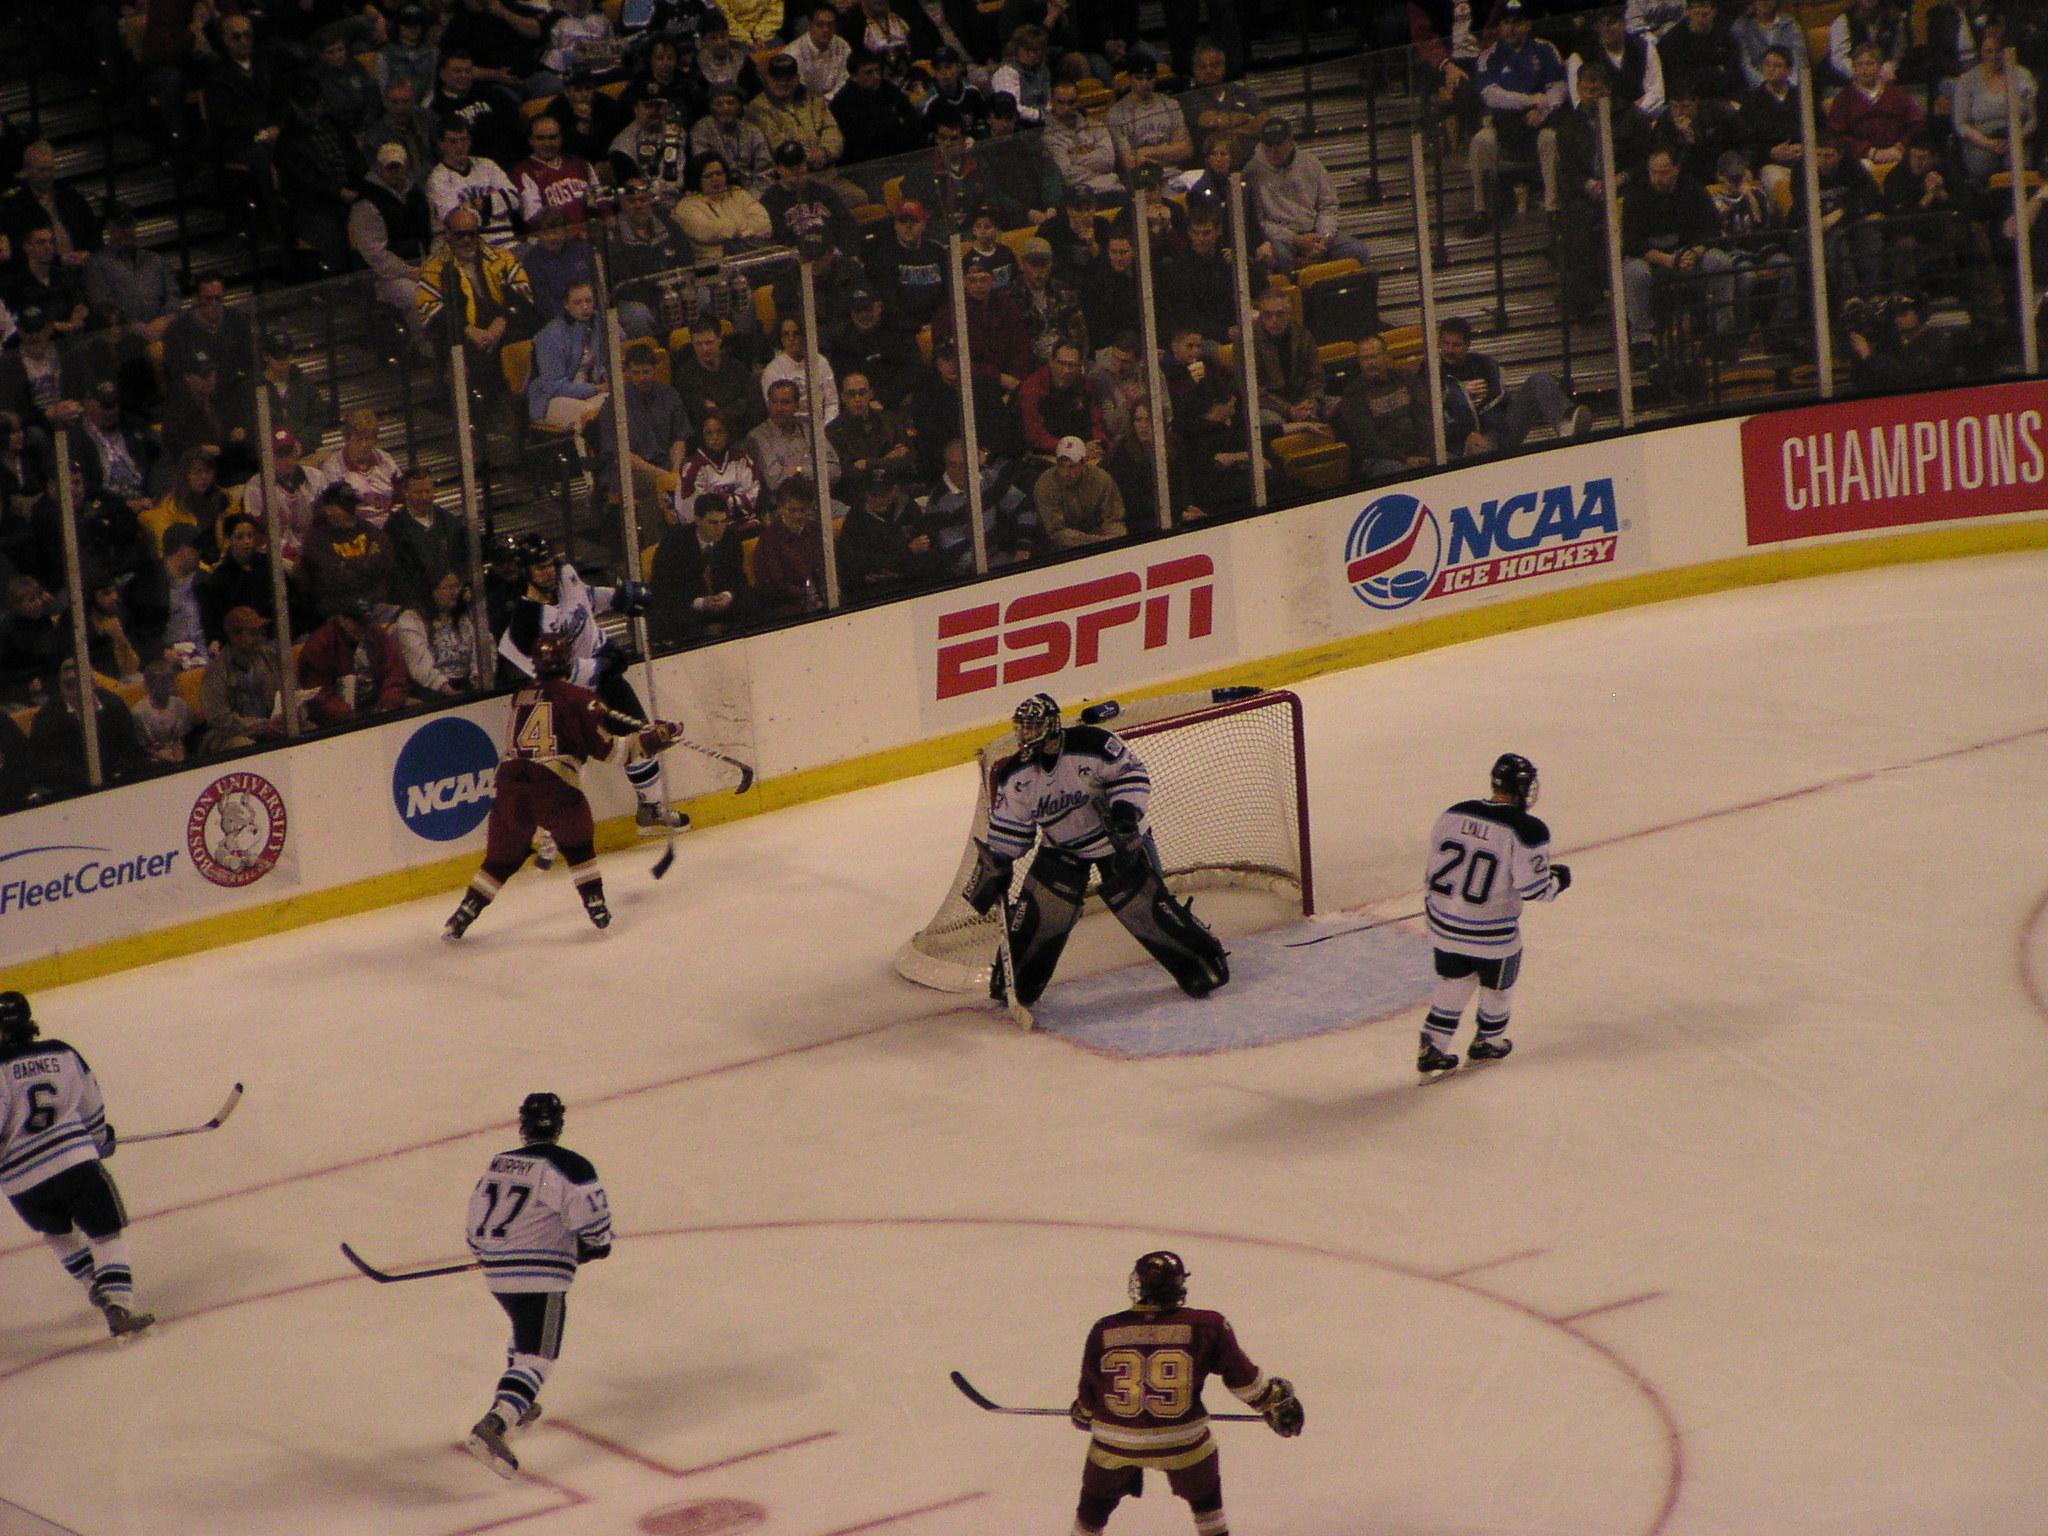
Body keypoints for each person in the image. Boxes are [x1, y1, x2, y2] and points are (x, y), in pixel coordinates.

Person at [964, 693, 1229, 1006]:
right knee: (1040, 917)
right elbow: (1012, 830)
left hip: (1116, 843)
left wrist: (1126, 815)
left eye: (1033, 727)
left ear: (1051, 725)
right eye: (1022, 728)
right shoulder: (1016, 776)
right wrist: (998, 860)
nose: (1025, 735)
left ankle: (1202, 959)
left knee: (1148, 911)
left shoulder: (1091, 744)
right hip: (1062, 848)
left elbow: (1131, 773)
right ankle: (1014, 979)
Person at [445, 637, 682, 942]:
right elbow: (611, 752)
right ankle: (595, 903)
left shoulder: (522, 694)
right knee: (578, 843)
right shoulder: (579, 697)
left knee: (502, 857)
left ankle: (466, 910)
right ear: (568, 661)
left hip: (510, 783)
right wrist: (655, 739)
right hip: (552, 784)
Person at [1066, 1250, 1302, 1536]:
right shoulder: (1207, 1325)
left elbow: (1090, 1393)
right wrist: (1274, 1401)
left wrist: (1085, 1412)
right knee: (1206, 1501)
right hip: (1183, 1442)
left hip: (1114, 1441)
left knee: (1093, 1506)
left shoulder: (1105, 1328)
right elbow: (1242, 1380)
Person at [457, 1092, 614, 1476]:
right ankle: (497, 1421)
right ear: (559, 1125)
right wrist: (592, 1247)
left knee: (523, 1334)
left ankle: (519, 1402)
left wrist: (489, 1253)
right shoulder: (571, 1166)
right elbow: (594, 1231)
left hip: (497, 1273)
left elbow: (476, 1224)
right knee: (536, 1357)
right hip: (541, 1276)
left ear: (523, 1125)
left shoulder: (498, 1165)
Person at [497, 536, 684, 834]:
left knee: (640, 735)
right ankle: (545, 832)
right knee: (564, 763)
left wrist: (619, 598)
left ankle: (650, 808)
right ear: (525, 572)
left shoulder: (565, 574)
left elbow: (586, 597)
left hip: (603, 673)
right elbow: (560, 676)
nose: (548, 571)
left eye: (549, 564)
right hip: (566, 696)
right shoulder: (526, 623)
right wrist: (603, 664)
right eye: (539, 567)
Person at [0, 991, 155, 1339]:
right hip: (75, 1161)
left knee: (57, 1233)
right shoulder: (63, 1053)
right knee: (105, 1230)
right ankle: (118, 1302)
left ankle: (92, 1283)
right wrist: (100, 1140)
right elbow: (92, 1106)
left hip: (21, 1181)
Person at [1418, 751, 1571, 1077]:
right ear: (1523, 787)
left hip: (1441, 925)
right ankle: (1487, 1040)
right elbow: (1535, 890)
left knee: (1454, 979)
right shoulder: (1526, 829)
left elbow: (1431, 870)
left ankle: (1433, 1045)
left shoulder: (1454, 813)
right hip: (1492, 935)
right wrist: (1558, 880)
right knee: (1498, 988)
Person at [1466, 0, 1568, 235]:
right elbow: (1490, 95)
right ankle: (1481, 210)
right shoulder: (1489, 56)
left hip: (1538, 124)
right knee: (1481, 141)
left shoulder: (1545, 49)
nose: (1511, 28)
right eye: (1506, 23)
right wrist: (1529, 100)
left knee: (1550, 138)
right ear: (1500, 27)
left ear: (1528, 25)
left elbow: (1558, 89)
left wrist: (1543, 110)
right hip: (1505, 127)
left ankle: (1553, 210)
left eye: (1517, 22)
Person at [1436, 315, 1591, 452]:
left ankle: (1565, 424)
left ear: (1467, 345)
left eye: (1456, 345)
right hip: (1466, 440)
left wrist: (1469, 402)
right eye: (1445, 343)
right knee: (1480, 449)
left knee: (1540, 380)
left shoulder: (1482, 363)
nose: (1449, 350)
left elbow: (1499, 395)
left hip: (1501, 427)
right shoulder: (1431, 373)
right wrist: (1462, 395)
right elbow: (1434, 416)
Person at [1244, 117, 1370, 274]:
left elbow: (1328, 204)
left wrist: (1324, 236)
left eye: (1278, 144)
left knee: (1358, 251)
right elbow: (1259, 221)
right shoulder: (1252, 172)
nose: (1273, 150)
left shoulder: (1310, 162)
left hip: (1315, 230)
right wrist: (1294, 239)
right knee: (1279, 257)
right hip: (1281, 237)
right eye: (1268, 146)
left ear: (1290, 141)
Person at [298, 598, 410, 724]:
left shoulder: (376, 634)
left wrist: (389, 704)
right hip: (337, 721)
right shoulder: (319, 646)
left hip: (378, 709)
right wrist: (348, 716)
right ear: (342, 619)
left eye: (366, 622)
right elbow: (317, 693)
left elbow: (395, 672)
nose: (364, 627)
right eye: (358, 622)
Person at [395, 567, 488, 697]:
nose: (455, 592)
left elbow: (482, 650)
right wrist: (444, 687)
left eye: (456, 586)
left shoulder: (466, 617)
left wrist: (478, 681)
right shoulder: (411, 619)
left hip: (468, 686)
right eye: (447, 588)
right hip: (432, 692)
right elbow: (419, 663)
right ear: (432, 591)